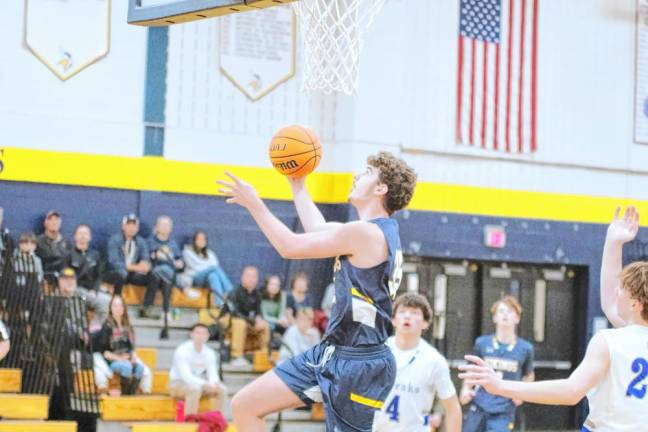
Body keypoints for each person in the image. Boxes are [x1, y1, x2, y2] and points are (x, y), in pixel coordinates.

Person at [218, 151, 417, 431]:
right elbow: (317, 227)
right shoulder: (368, 232)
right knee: (245, 406)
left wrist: (255, 204)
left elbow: (289, 246)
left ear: (381, 188)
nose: (358, 176)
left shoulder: (366, 234)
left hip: (360, 363)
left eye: (368, 172)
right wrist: (298, 186)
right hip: (332, 352)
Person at [459, 258, 648, 432]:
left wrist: (500, 385)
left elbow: (571, 391)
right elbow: (609, 304)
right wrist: (614, 240)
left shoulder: (608, 340)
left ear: (635, 304)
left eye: (622, 289)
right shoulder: (483, 343)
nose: (616, 291)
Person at [373, 293, 462, 432]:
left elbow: (453, 409)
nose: (407, 316)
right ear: (394, 319)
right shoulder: (376, 352)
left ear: (425, 323)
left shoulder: (434, 361)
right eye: (402, 312)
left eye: (414, 313)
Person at [459, 296, 534, 432]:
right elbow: (472, 370)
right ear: (494, 317)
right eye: (501, 311)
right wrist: (465, 389)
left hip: (504, 408)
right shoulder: (482, 343)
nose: (505, 314)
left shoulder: (525, 348)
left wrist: (522, 395)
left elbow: (529, 375)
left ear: (517, 318)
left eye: (510, 311)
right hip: (480, 403)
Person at [94, 295, 151, 395]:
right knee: (127, 367)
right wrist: (120, 358)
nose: (118, 308)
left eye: (120, 305)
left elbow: (132, 347)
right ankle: (125, 396)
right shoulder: (107, 326)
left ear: (124, 308)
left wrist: (133, 356)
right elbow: (105, 353)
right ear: (110, 308)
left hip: (127, 359)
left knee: (140, 368)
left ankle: (131, 393)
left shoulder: (128, 326)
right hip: (112, 360)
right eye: (115, 305)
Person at [169, 323, 228, 415]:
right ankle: (189, 421)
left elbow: (213, 374)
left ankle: (216, 420)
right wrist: (205, 384)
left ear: (208, 336)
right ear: (191, 334)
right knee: (194, 389)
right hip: (178, 384)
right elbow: (186, 377)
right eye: (198, 333)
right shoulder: (182, 351)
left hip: (200, 383)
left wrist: (213, 384)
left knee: (222, 389)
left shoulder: (209, 353)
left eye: (204, 333)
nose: (201, 336)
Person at [223, 266, 271, 366]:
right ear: (242, 277)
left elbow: (258, 312)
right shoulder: (234, 293)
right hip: (229, 322)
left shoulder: (257, 294)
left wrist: (258, 319)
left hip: (247, 322)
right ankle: (236, 356)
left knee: (264, 325)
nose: (251, 279)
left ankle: (263, 355)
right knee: (239, 323)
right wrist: (253, 322)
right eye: (248, 276)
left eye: (254, 277)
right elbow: (235, 313)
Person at [143, 215, 184, 320]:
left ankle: (158, 309)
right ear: (156, 227)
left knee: (166, 277)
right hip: (152, 274)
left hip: (169, 274)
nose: (166, 227)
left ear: (171, 228)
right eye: (163, 224)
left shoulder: (173, 243)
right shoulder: (149, 242)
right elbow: (145, 259)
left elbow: (179, 260)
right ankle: (167, 310)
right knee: (162, 274)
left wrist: (181, 264)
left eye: (168, 225)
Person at [177, 230, 233, 304]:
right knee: (214, 269)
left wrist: (207, 268)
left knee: (213, 276)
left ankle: (219, 304)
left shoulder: (210, 253)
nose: (201, 241)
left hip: (207, 280)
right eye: (199, 239)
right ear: (194, 241)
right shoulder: (187, 252)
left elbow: (214, 265)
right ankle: (230, 292)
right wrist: (208, 268)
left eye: (203, 239)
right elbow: (195, 268)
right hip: (195, 278)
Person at [105, 214, 151, 296]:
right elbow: (114, 263)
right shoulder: (114, 240)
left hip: (131, 274)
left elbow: (145, 259)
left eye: (134, 225)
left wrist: (145, 265)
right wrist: (136, 267)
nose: (131, 228)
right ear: (123, 227)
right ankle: (116, 300)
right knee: (121, 274)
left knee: (153, 277)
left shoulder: (141, 241)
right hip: (114, 272)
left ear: (137, 229)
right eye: (128, 225)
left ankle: (147, 306)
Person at [65, 224, 104, 293]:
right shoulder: (68, 255)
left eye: (85, 233)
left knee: (109, 300)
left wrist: (95, 290)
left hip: (92, 291)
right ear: (75, 236)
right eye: (80, 233)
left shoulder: (95, 255)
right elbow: (65, 276)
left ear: (90, 237)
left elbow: (99, 276)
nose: (83, 236)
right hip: (76, 290)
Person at [35, 210, 69, 283]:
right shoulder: (37, 242)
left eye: (56, 220)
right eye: (50, 219)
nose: (54, 222)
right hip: (43, 281)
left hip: (62, 281)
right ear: (45, 223)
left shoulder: (66, 243)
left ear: (60, 224)